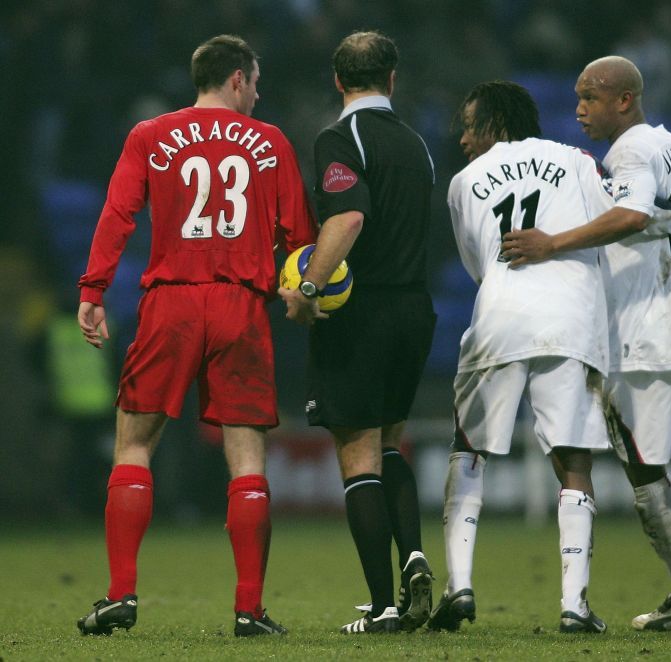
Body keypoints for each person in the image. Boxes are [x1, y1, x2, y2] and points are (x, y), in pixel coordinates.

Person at [502, 56, 671, 633]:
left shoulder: (633, 150)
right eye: (577, 97)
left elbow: (631, 214)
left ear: (624, 99)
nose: (579, 109)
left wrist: (551, 244)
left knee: (642, 467)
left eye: (590, 97)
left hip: (650, 327)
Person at [75, 34, 318, 637]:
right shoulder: (271, 142)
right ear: (237, 79)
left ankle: (120, 595)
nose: (258, 95)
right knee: (246, 457)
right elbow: (300, 234)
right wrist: (302, 292)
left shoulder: (149, 135)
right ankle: (249, 609)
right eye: (255, 83)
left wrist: (93, 289)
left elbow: (117, 213)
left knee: (133, 445)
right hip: (241, 304)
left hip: (171, 303)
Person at [427, 80, 613, 635]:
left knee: (469, 448)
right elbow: (610, 224)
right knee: (572, 458)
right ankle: (574, 605)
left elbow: (480, 263)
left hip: (502, 310)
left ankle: (458, 585)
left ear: (494, 125)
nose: (462, 138)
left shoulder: (463, 183)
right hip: (571, 315)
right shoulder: (576, 160)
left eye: (469, 124)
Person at [279, 30, 436, 635]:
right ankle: (416, 558)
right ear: (391, 79)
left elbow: (347, 216)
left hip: (362, 313)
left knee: (358, 457)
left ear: (338, 80)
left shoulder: (343, 137)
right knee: (391, 443)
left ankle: (383, 607)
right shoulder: (416, 142)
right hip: (413, 311)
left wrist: (309, 288)